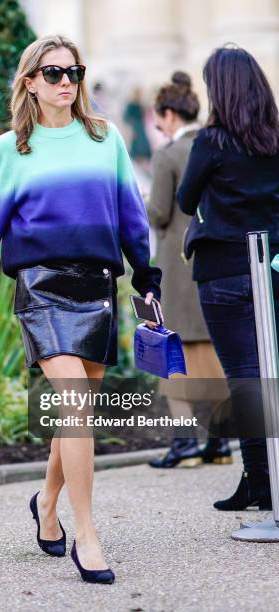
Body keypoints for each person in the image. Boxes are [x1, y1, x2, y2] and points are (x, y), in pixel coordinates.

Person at [0, 34, 162, 584]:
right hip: (41, 289)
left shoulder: (105, 139)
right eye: (55, 73)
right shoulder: (10, 150)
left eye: (74, 73)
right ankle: (87, 534)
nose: (67, 82)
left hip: (99, 289)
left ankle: (46, 504)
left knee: (74, 415)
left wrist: (148, 280)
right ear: (30, 82)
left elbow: (132, 219)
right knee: (77, 406)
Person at [177, 45, 279, 511]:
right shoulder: (275, 139)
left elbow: (183, 200)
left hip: (222, 271)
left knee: (243, 379)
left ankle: (260, 481)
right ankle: (261, 480)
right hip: (271, 267)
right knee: (269, 374)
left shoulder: (211, 142)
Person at [147, 71, 231, 469]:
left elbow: (160, 212)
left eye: (158, 117)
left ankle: (183, 443)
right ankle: (219, 444)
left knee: (170, 351)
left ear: (169, 114)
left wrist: (137, 200)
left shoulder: (168, 154)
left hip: (176, 266)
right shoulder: (216, 145)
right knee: (211, 351)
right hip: (213, 258)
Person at [123, 87, 151, 166]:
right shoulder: (131, 105)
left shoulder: (140, 105)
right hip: (134, 127)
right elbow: (126, 117)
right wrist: (130, 127)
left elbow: (143, 116)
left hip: (140, 126)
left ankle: (142, 160)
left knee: (142, 143)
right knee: (135, 143)